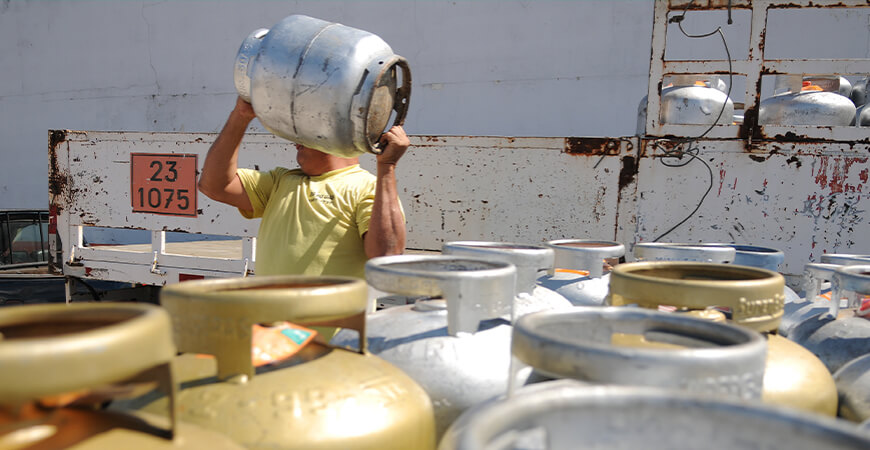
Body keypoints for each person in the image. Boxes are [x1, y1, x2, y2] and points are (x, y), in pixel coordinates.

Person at [198, 97, 408, 280]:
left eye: (307, 132)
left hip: (334, 327)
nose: (296, 141)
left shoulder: (368, 188)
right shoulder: (281, 181)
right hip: (273, 326)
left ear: (338, 136)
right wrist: (240, 116)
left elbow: (386, 257)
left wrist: (387, 167)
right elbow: (213, 186)